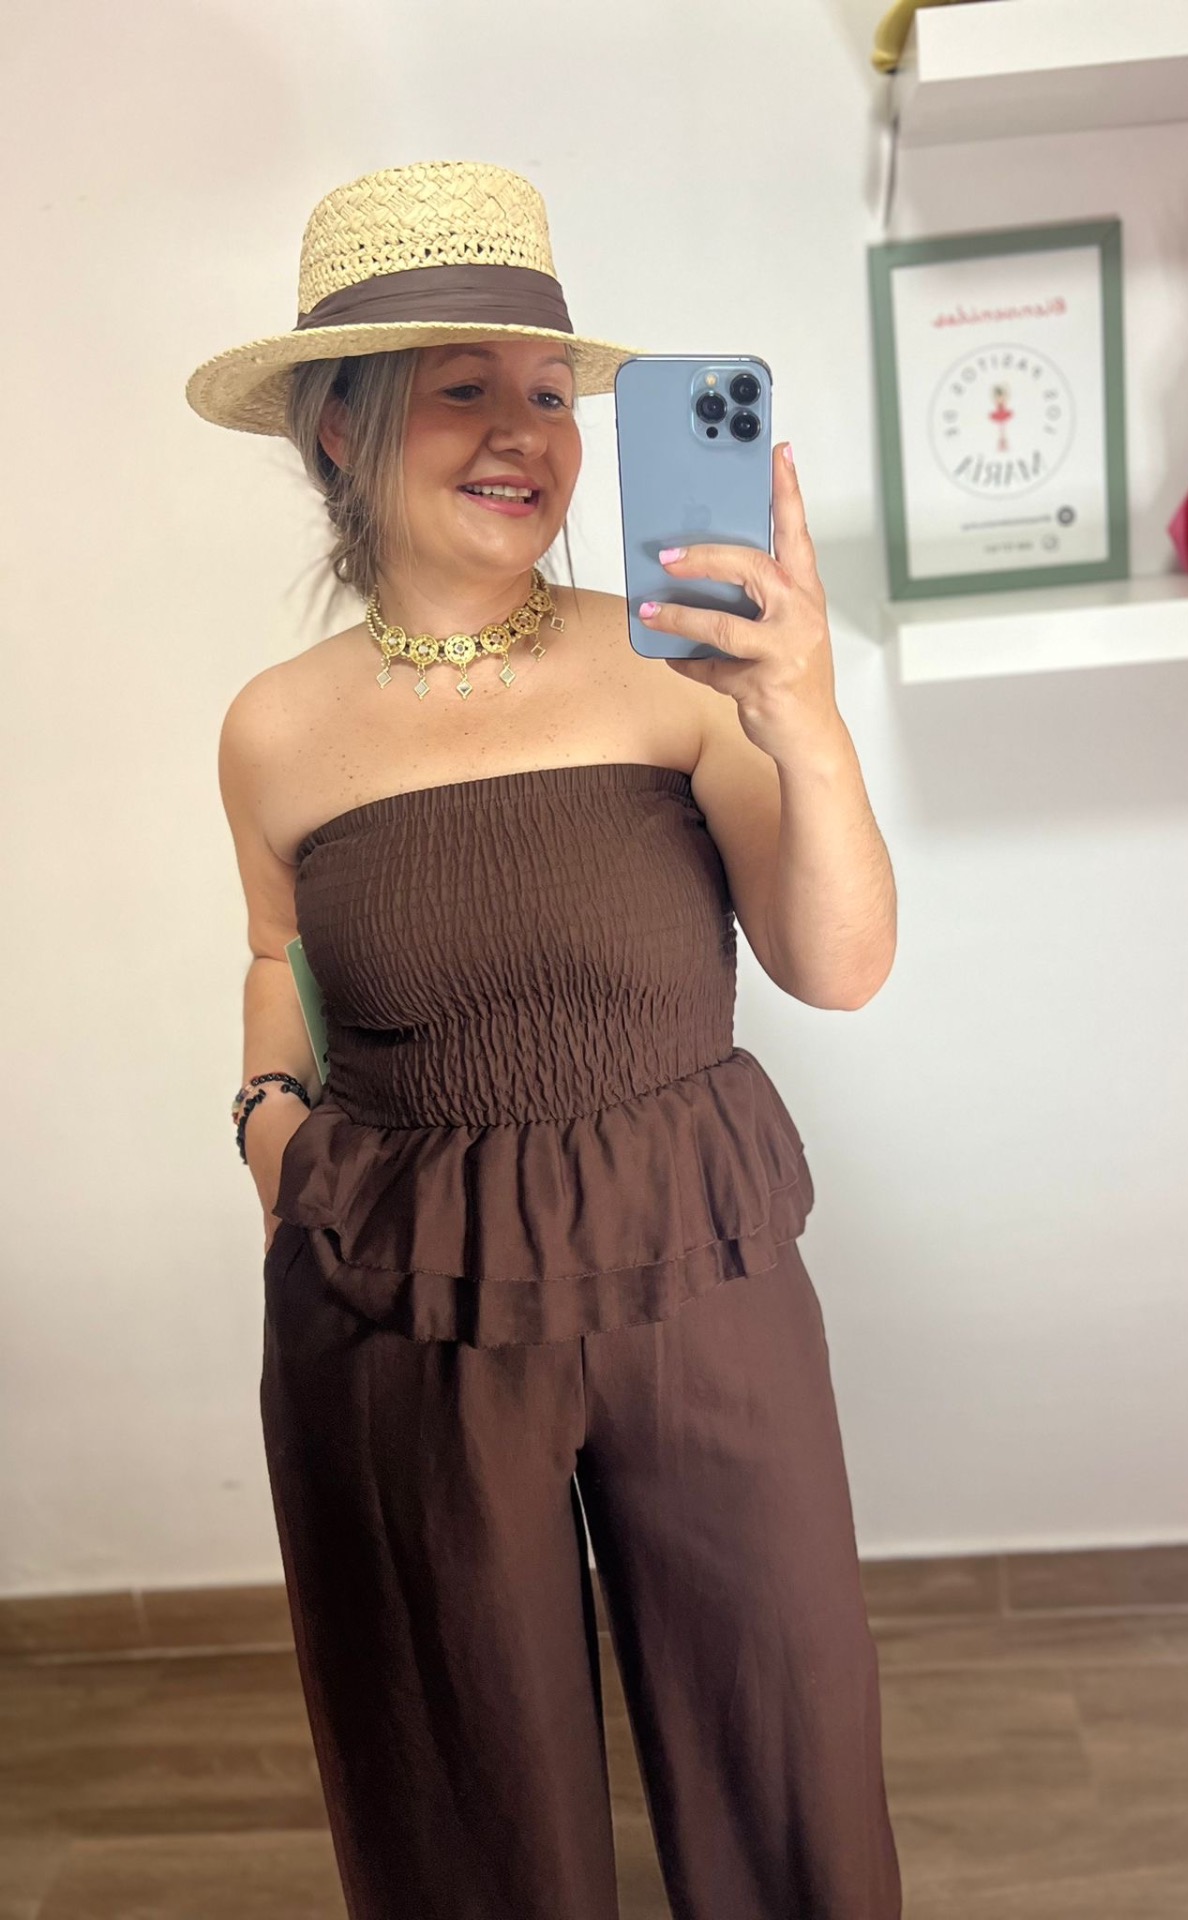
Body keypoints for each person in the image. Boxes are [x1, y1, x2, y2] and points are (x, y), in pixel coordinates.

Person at [189, 158, 902, 1920]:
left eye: (550, 391)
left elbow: (838, 966)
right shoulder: (274, 728)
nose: (526, 433)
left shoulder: (678, 669)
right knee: (462, 1793)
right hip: (402, 1291)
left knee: (786, 1756)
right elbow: (279, 951)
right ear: (339, 433)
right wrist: (270, 1124)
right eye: (464, 389)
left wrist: (806, 716)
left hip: (695, 1260)